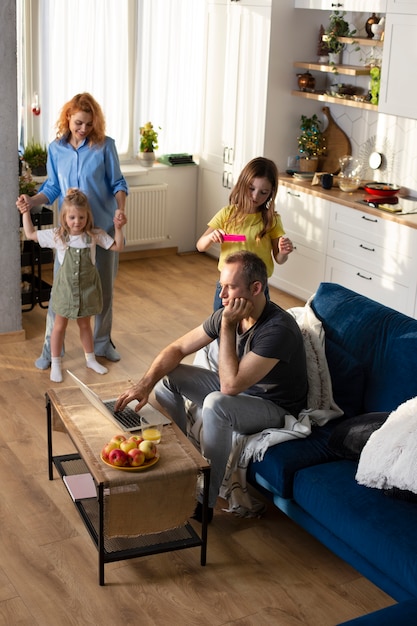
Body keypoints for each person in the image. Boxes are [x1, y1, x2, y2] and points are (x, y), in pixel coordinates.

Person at [115, 251, 308, 523]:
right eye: (221, 286)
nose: (222, 295)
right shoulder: (227, 313)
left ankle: (204, 500)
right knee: (169, 377)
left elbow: (229, 386)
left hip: (273, 406)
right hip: (239, 391)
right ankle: (181, 466)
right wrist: (144, 385)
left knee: (217, 404)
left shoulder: (278, 329)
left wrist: (227, 325)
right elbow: (178, 347)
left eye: (230, 287)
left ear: (255, 288)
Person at [16, 92, 128, 369]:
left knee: (102, 291)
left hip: (100, 229)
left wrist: (119, 209)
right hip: (70, 233)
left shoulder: (105, 146)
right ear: (68, 118)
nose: (83, 129)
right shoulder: (56, 149)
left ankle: (102, 344)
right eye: (79, 123)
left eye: (89, 124)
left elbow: (118, 183)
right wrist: (32, 201)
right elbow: (52, 188)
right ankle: (50, 350)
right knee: (60, 293)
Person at [19, 188, 127, 383]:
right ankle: (56, 363)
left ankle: (90, 359)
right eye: (72, 217)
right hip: (65, 291)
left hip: (86, 291)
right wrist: (26, 211)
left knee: (85, 325)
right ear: (64, 217)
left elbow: (118, 247)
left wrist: (118, 228)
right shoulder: (58, 236)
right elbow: (30, 234)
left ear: (88, 217)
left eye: (81, 217)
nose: (77, 222)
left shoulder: (94, 235)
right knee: (58, 327)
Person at [196, 157, 294, 310]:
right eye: (251, 188)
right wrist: (210, 237)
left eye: (263, 192)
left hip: (257, 288)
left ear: (271, 193)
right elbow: (200, 246)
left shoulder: (271, 220)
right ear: (242, 185)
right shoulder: (227, 214)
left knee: (256, 329)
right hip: (228, 286)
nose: (256, 197)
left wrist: (283, 252)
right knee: (221, 326)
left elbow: (279, 259)